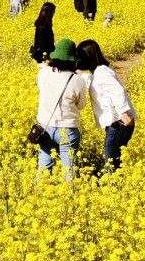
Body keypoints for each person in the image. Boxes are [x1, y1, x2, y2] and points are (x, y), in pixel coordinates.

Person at [76, 39, 137, 171]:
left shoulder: (102, 72)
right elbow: (91, 81)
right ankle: (117, 185)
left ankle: (114, 186)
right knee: (115, 161)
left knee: (111, 164)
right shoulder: (98, 72)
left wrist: (125, 113)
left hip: (119, 124)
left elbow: (118, 91)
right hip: (116, 125)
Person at [36, 39, 88, 179]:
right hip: (67, 129)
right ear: (73, 60)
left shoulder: (43, 74)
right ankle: (69, 197)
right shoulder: (78, 80)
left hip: (45, 127)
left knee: (44, 166)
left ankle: (37, 194)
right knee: (69, 170)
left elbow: (41, 88)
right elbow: (82, 105)